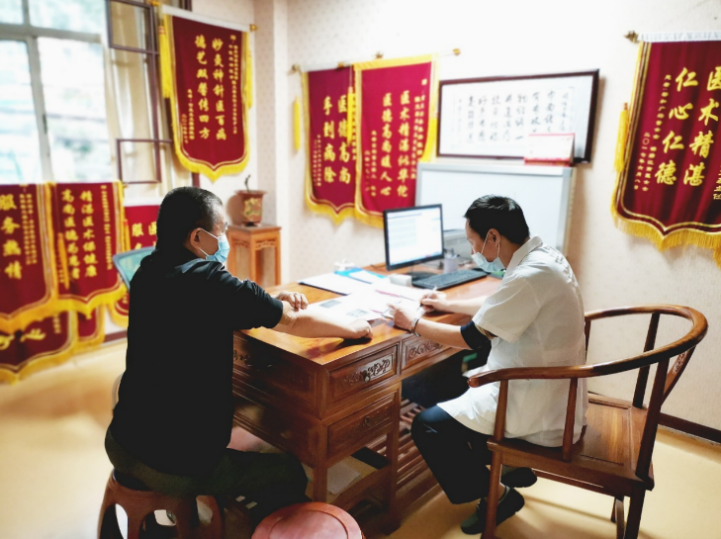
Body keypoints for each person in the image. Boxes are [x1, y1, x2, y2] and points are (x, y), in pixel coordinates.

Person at [106, 187, 372, 525]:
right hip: (175, 465)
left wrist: (273, 301)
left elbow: (221, 305)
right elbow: (292, 321)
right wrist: (353, 327)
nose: (225, 239)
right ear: (197, 237)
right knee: (289, 470)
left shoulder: (148, 269)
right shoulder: (210, 282)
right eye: (221, 231)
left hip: (121, 441)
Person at [388, 195, 587, 534]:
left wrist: (413, 323)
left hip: (535, 401)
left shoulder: (529, 276)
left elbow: (470, 338)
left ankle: (498, 495)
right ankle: (510, 467)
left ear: (493, 237)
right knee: (457, 383)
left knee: (428, 426)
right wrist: (449, 302)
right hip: (552, 388)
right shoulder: (543, 257)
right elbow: (503, 302)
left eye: (473, 242)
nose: (472, 251)